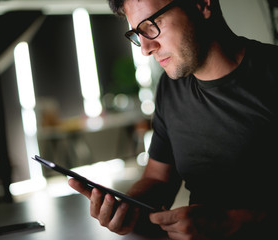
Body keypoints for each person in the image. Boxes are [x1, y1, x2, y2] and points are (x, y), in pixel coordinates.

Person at [69, 0, 278, 239]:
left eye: (152, 24)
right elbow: (158, 178)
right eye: (138, 33)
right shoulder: (171, 87)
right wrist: (128, 206)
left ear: (202, 5)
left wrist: (232, 222)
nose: (145, 48)